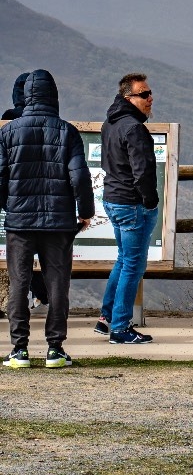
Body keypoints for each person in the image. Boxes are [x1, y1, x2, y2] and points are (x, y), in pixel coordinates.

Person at [0, 70, 93, 368]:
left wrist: (10, 206)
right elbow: (80, 176)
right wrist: (86, 212)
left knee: (19, 282)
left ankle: (19, 350)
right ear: (54, 95)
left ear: (26, 96)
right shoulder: (67, 132)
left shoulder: (8, 132)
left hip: (20, 223)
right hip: (59, 223)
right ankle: (55, 349)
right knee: (57, 284)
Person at [96, 72, 160, 344]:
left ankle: (107, 317)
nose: (150, 98)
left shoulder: (110, 124)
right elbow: (142, 171)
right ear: (128, 98)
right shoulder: (134, 128)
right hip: (132, 205)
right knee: (133, 265)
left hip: (112, 199)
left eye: (149, 93)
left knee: (123, 260)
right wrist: (150, 201)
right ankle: (120, 328)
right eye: (143, 94)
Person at [2, 72, 48, 315]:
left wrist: (6, 202)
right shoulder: (52, 120)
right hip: (45, 202)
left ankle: (19, 332)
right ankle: (42, 296)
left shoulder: (8, 120)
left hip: (17, 203)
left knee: (19, 263)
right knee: (45, 251)